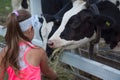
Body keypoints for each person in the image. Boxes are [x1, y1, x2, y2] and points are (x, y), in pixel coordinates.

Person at [0, 9, 58, 80]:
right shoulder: (38, 52)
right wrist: (55, 75)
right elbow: (47, 72)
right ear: (30, 29)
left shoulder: (4, 52)